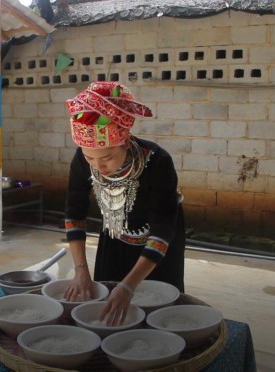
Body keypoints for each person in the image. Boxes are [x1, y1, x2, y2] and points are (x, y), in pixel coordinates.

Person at [63, 81, 186, 326]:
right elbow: (74, 211)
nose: (98, 166)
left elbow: (163, 229)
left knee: (157, 309)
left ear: (125, 141)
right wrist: (80, 271)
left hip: (158, 241)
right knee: (108, 298)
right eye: (90, 158)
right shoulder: (82, 159)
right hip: (115, 231)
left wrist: (129, 286)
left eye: (107, 157)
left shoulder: (158, 162)